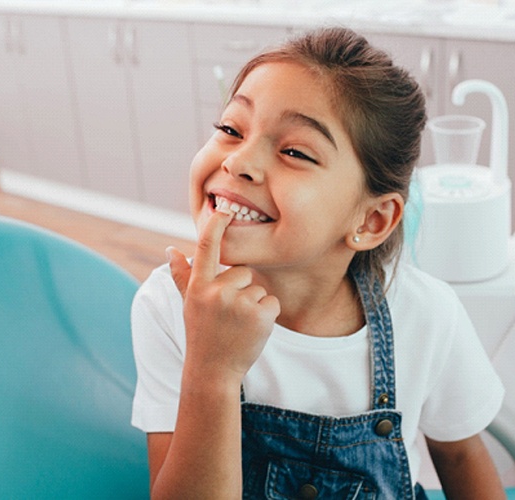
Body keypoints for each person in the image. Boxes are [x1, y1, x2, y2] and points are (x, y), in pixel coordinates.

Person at [131, 27, 505, 498]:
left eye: (294, 151)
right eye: (231, 129)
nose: (239, 161)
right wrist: (212, 371)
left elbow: (460, 454)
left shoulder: (428, 314)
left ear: (370, 220)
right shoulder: (169, 306)